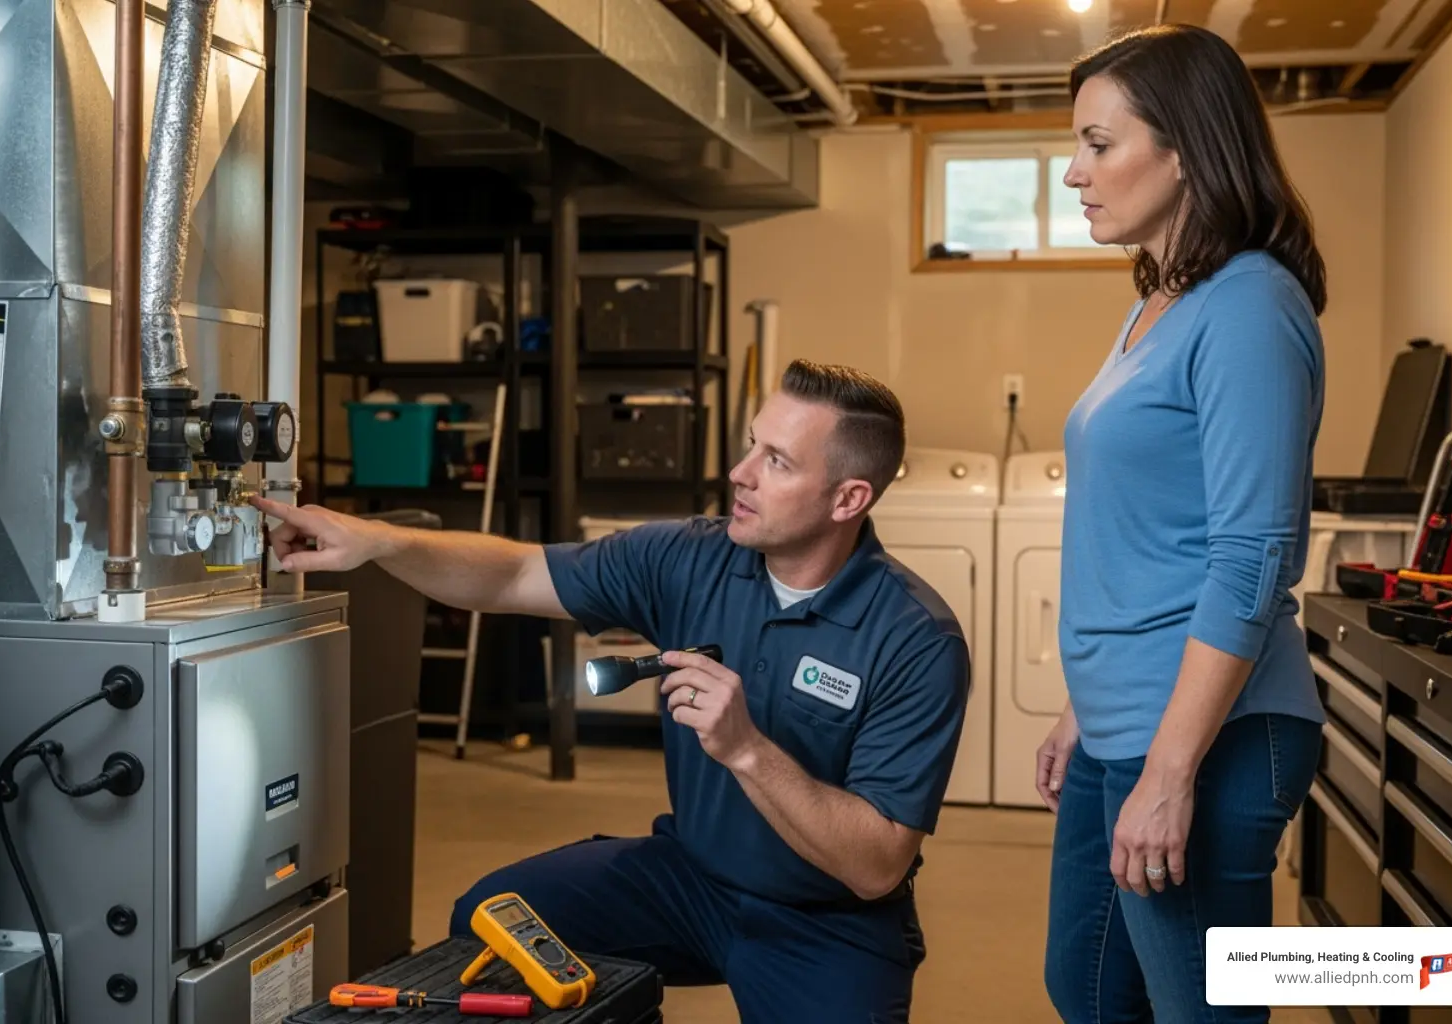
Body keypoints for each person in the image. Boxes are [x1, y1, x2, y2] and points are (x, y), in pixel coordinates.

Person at [253, 359, 970, 1023]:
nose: (738, 473)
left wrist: (746, 750)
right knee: (492, 919)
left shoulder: (914, 639)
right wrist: (377, 541)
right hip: (692, 877)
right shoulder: (692, 557)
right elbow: (512, 574)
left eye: (776, 462)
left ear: (849, 497)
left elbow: (876, 866)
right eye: (752, 445)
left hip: (826, 917)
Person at [1034, 24, 1327, 1024]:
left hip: (1212, 734)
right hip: (1127, 720)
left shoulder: (1248, 306)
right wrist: (1086, 702)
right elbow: (1148, 528)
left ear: (1189, 149)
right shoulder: (1162, 301)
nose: (1075, 172)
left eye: (1099, 143)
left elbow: (1249, 558)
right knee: (1087, 984)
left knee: (1198, 1011)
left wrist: (1168, 771)